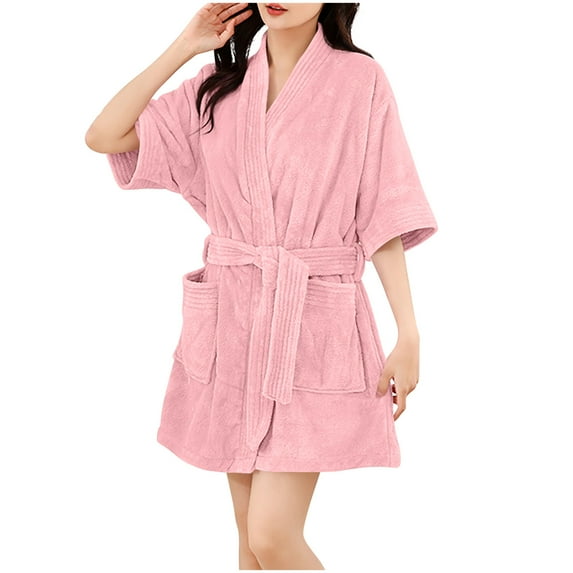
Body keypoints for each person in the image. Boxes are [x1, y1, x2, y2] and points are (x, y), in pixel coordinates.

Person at [85, 2, 438, 569]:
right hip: (236, 323)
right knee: (249, 544)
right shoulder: (221, 86)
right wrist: (186, 46)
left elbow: (383, 212)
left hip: (311, 322)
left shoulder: (359, 80)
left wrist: (408, 332)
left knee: (272, 535)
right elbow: (105, 135)